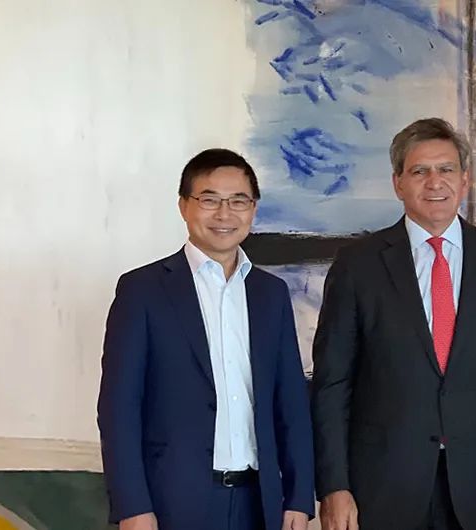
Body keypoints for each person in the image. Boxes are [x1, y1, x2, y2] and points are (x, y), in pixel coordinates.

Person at [311, 118, 476, 530]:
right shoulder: (357, 265)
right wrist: (334, 485)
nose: (435, 182)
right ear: (398, 183)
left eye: (446, 169)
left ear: (465, 179)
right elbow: (333, 383)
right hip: (382, 486)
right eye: (419, 171)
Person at [98, 148, 314, 530]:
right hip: (171, 502)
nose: (224, 214)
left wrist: (299, 497)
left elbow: (291, 402)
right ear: (184, 206)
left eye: (238, 201)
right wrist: (132, 507)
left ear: (254, 208)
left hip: (258, 502)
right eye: (210, 200)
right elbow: (119, 408)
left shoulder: (270, 293)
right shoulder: (143, 290)